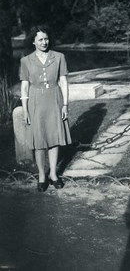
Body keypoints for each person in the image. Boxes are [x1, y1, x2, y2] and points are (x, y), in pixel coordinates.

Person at [19, 25, 72, 192]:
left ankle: (54, 175)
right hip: (35, 101)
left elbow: (63, 81)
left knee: (54, 138)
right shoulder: (26, 61)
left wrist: (65, 104)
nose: (44, 42)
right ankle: (42, 176)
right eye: (40, 39)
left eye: (46, 39)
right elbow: (25, 87)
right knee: (39, 141)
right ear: (33, 42)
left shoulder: (59, 57)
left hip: (54, 99)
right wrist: (25, 109)